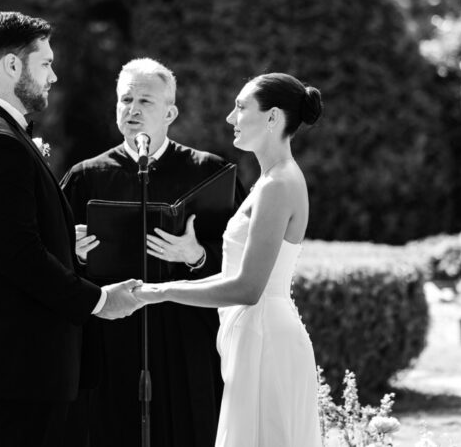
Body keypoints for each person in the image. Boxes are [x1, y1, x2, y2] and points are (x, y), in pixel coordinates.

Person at [0, 11, 141, 447]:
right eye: (45, 63)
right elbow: (19, 257)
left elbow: (4, 242)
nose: (53, 76)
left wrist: (63, 242)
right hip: (28, 362)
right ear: (12, 65)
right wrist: (101, 300)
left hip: (22, 362)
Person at [61, 58, 244, 447]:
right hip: (111, 335)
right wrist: (74, 253)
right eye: (126, 100)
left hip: (185, 333)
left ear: (170, 113)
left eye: (145, 100)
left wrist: (197, 255)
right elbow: (48, 261)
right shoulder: (85, 176)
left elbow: (243, 258)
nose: (133, 109)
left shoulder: (209, 172)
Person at [134, 72, 325, 447]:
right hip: (255, 336)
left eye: (240, 108)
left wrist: (161, 293)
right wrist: (157, 289)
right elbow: (234, 274)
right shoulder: (270, 180)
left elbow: (247, 288)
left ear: (272, 117)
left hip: (266, 340)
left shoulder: (277, 185)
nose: (230, 118)